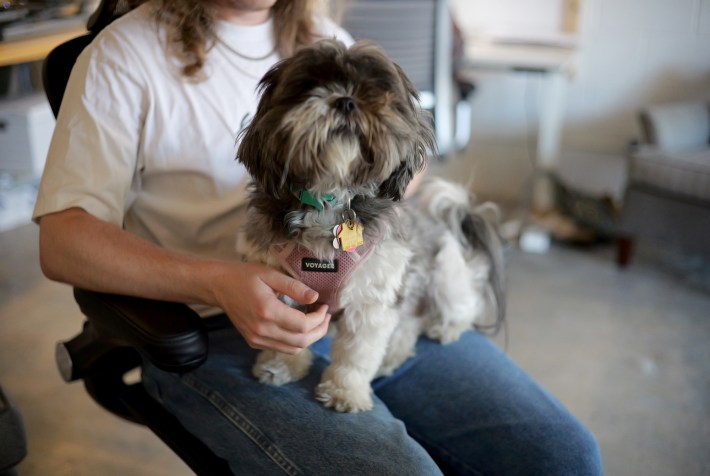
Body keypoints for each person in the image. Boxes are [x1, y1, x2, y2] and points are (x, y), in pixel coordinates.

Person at [34, 0, 603, 474]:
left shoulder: (324, 35)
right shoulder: (122, 55)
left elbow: (403, 165)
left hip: (370, 305)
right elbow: (63, 242)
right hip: (213, 329)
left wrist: (386, 187)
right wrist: (220, 282)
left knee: (564, 457)